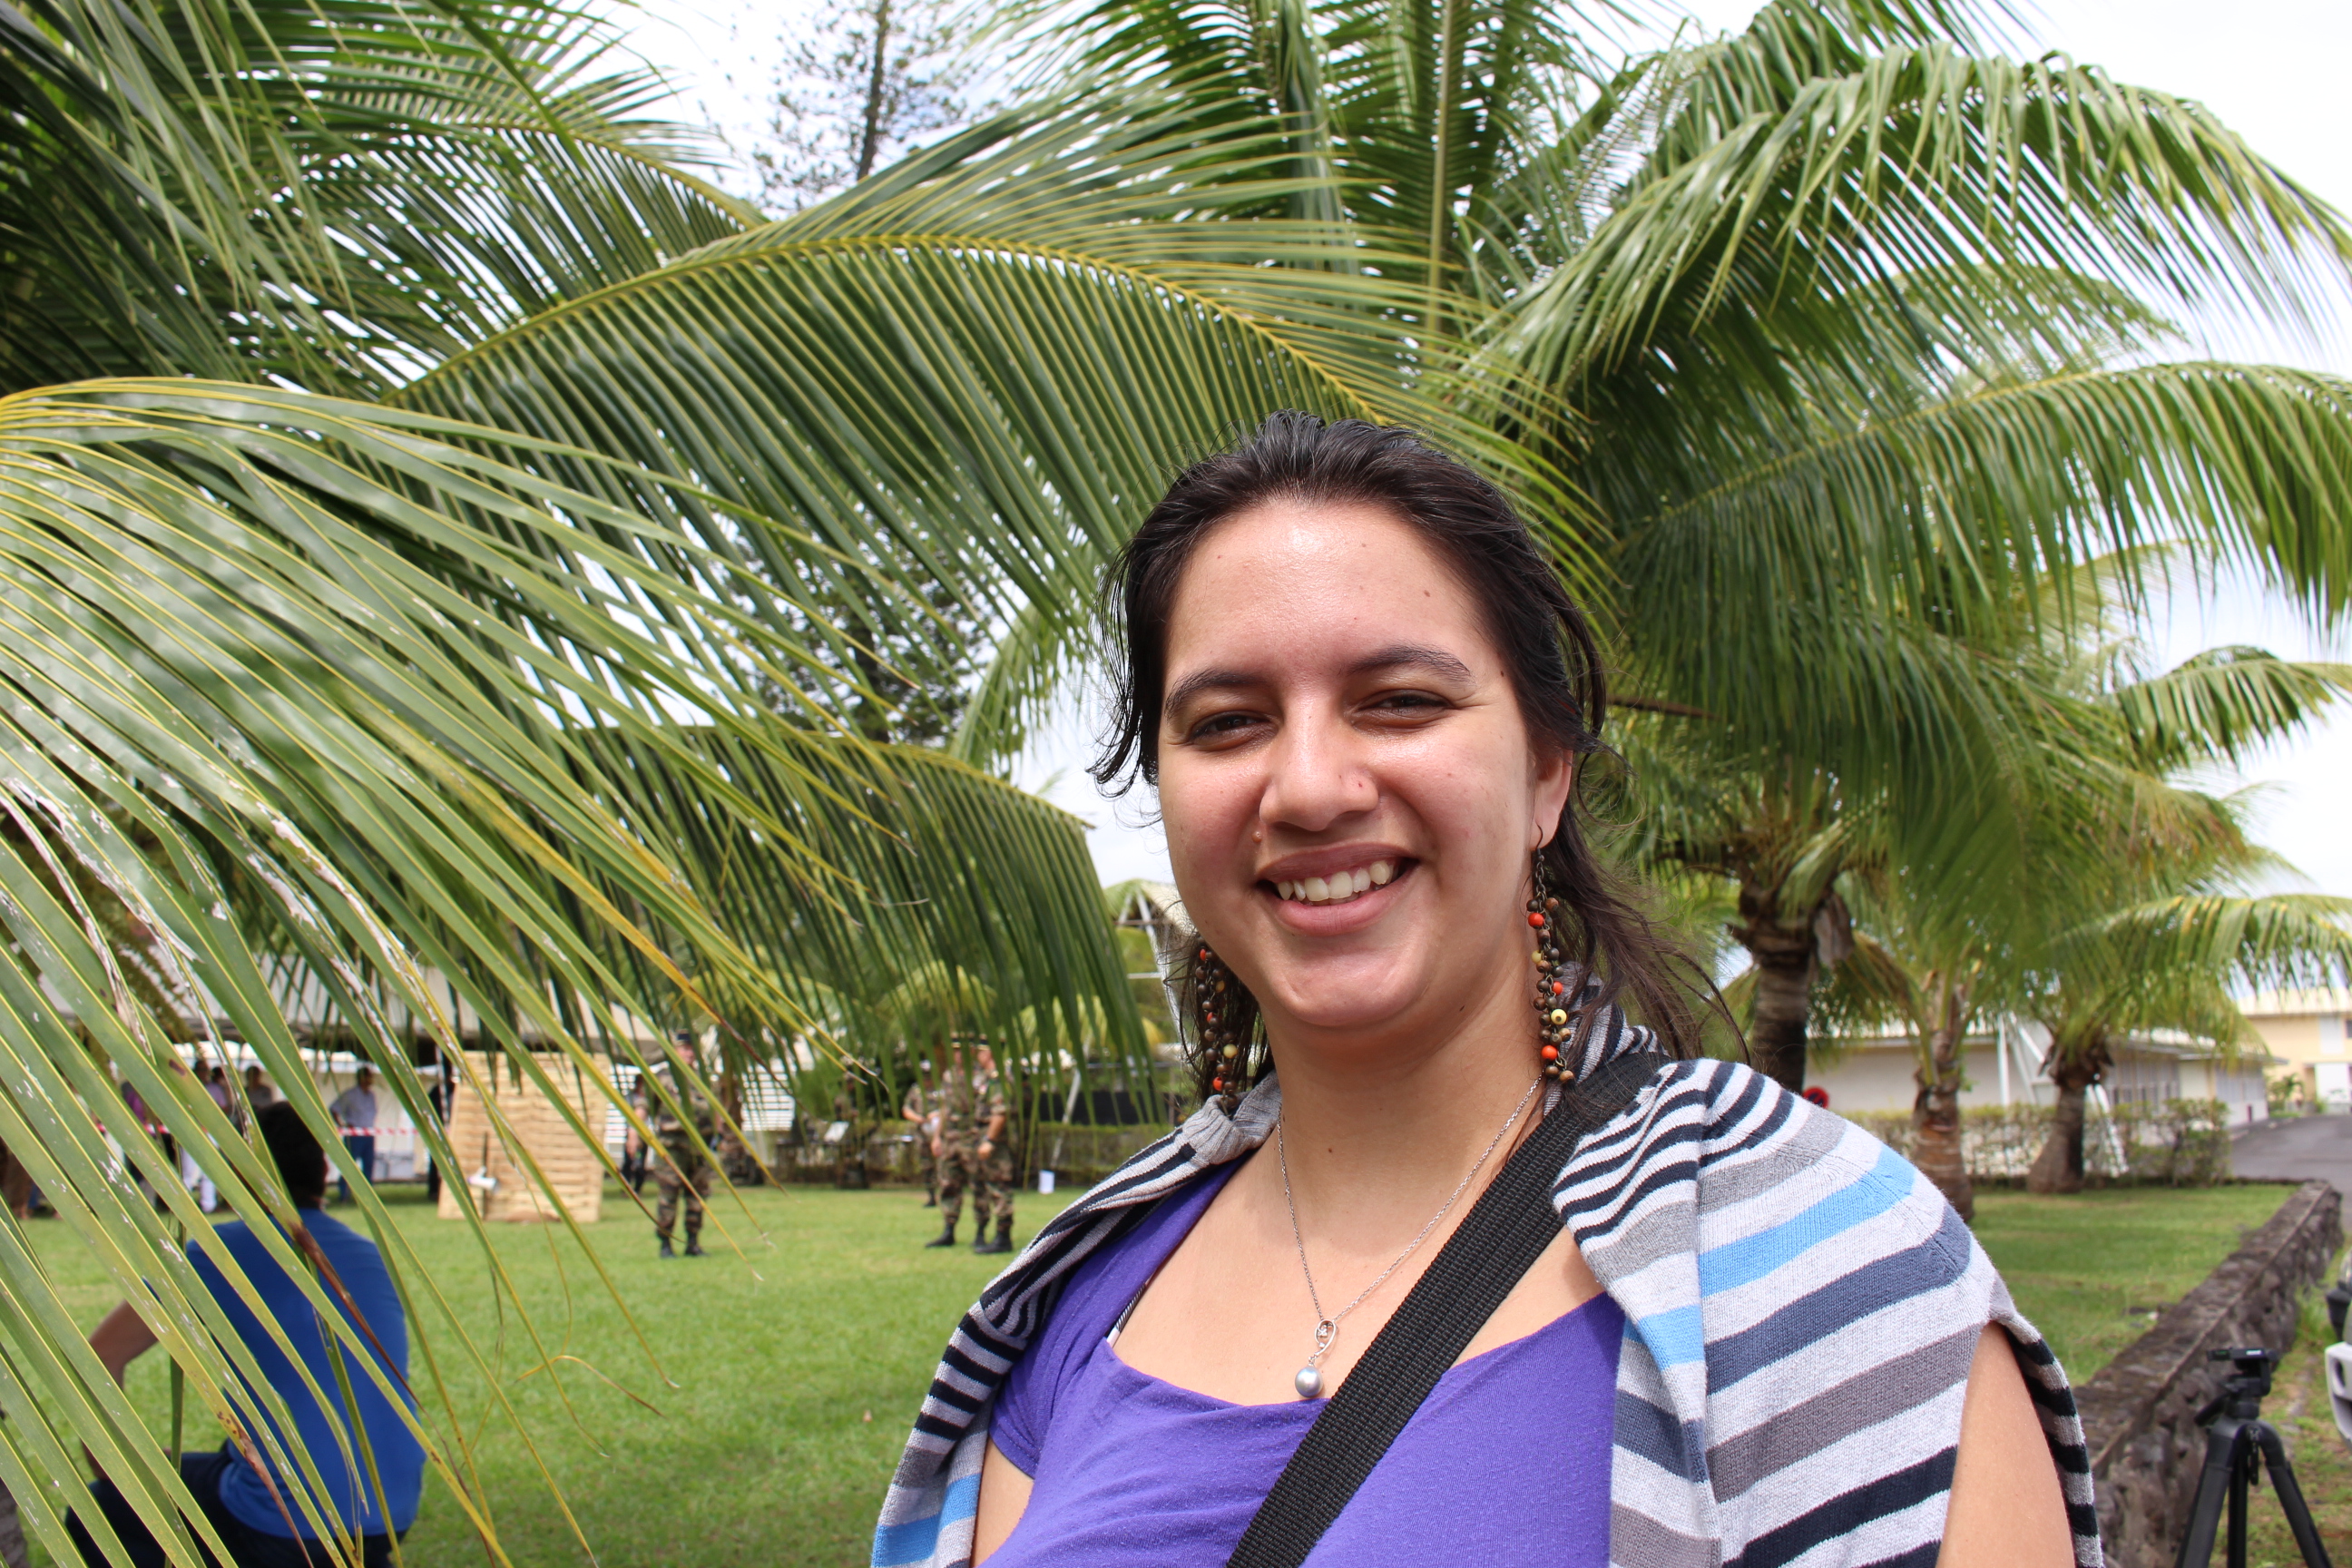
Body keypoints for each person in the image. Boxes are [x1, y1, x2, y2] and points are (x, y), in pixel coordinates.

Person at [875, 414, 2090, 1568]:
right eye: (1228, 720)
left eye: (1400, 700)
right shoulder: (1081, 1292)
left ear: (1547, 775)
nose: (1305, 788)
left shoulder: (1825, 1266)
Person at [73, 1102, 425, 1566]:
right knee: (228, 1463)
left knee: (101, 1511)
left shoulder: (219, 1253)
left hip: (286, 1524)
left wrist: (117, 1472)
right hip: (391, 1513)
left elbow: (99, 1357)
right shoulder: (367, 1255)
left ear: (236, 1170)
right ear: (323, 1171)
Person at [926, 1042, 1012, 1256]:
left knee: (985, 1186)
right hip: (961, 1137)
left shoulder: (991, 1078)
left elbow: (999, 1112)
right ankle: (950, 1228)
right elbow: (945, 1107)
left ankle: (992, 1233)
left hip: (979, 1138)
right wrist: (938, 1136)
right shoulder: (955, 1076)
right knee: (948, 1183)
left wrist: (989, 1140)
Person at [645, 1034, 716, 1258]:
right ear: (673, 1051)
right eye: (684, 1049)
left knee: (697, 1195)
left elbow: (716, 1109)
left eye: (692, 1049)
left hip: (699, 1147)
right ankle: (666, 1244)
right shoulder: (662, 1078)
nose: (689, 1053)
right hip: (672, 1147)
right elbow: (644, 1106)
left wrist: (721, 1135)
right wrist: (635, 1134)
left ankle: (693, 1243)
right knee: (669, 1194)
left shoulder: (703, 1079)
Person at [328, 1065, 377, 1205]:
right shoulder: (350, 1094)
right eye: (368, 1076)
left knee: (369, 1165)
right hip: (354, 1134)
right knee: (350, 1164)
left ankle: (367, 1196)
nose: (370, 1080)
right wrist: (342, 1125)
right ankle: (344, 1193)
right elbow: (334, 1108)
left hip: (368, 1133)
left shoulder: (372, 1095)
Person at [901, 1060, 941, 1208]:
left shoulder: (941, 1090)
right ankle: (931, 1195)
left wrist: (935, 1114)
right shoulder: (915, 1091)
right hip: (922, 1133)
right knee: (926, 1165)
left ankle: (946, 1194)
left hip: (940, 1134)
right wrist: (918, 1118)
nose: (927, 1079)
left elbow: (948, 1108)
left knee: (943, 1165)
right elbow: (906, 1109)